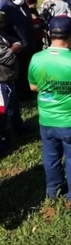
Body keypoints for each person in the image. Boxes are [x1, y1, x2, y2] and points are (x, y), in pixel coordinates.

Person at [28, 16, 71, 211]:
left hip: (47, 118)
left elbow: (33, 86)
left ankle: (53, 190)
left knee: (50, 156)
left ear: (50, 34)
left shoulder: (36, 58)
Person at [1, 0, 35, 103]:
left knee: (27, 70)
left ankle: (28, 92)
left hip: (28, 43)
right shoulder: (6, 10)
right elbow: (5, 30)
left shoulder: (24, 6)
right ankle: (21, 96)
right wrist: (15, 44)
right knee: (19, 73)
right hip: (18, 46)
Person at [0, 11, 22, 151]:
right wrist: (14, 48)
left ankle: (18, 127)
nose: (4, 24)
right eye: (1, 22)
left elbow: (15, 41)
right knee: (5, 110)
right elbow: (6, 57)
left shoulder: (1, 34)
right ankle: (4, 140)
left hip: (8, 78)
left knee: (14, 104)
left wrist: (14, 45)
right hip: (1, 80)